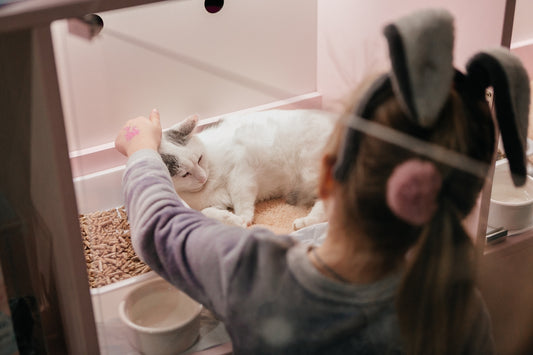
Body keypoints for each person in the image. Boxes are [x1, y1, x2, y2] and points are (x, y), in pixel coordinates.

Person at [114, 9, 530, 354]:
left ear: (327, 175)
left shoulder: (256, 274)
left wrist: (142, 153)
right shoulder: (460, 309)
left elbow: (161, 229)